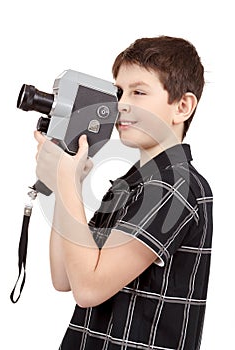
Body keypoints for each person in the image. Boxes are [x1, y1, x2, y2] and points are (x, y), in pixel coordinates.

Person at [34, 36, 213, 350]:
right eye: (119, 92)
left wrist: (64, 180)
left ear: (182, 106)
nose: (121, 104)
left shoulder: (175, 186)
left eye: (139, 92)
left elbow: (88, 289)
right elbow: (64, 277)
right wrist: (69, 187)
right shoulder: (127, 186)